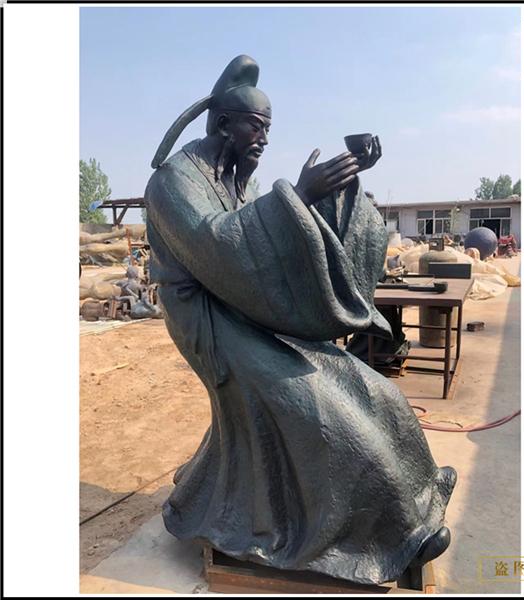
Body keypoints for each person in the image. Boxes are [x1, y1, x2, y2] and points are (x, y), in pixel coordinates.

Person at [144, 55, 455, 586]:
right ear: (224, 124)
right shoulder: (174, 182)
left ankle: (408, 502)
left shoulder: (233, 181)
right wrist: (299, 194)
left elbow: (263, 237)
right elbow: (219, 246)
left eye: (268, 129)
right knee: (310, 401)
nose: (264, 139)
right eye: (256, 127)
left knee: (366, 385)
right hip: (207, 319)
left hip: (240, 306)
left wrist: (337, 187)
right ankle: (379, 532)